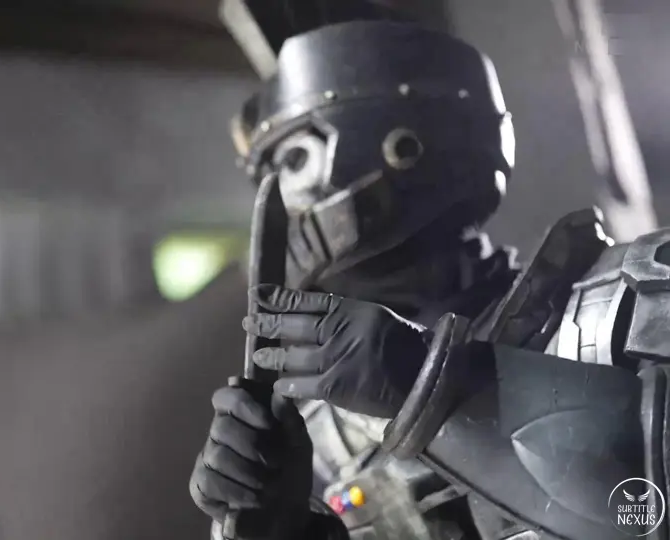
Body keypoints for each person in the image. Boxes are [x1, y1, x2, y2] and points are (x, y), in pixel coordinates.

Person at [189, 16, 668, 540]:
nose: (275, 199)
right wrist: (292, 530)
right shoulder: (321, 434)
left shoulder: (634, 302)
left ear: (402, 145)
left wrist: (435, 387)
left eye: (295, 159)